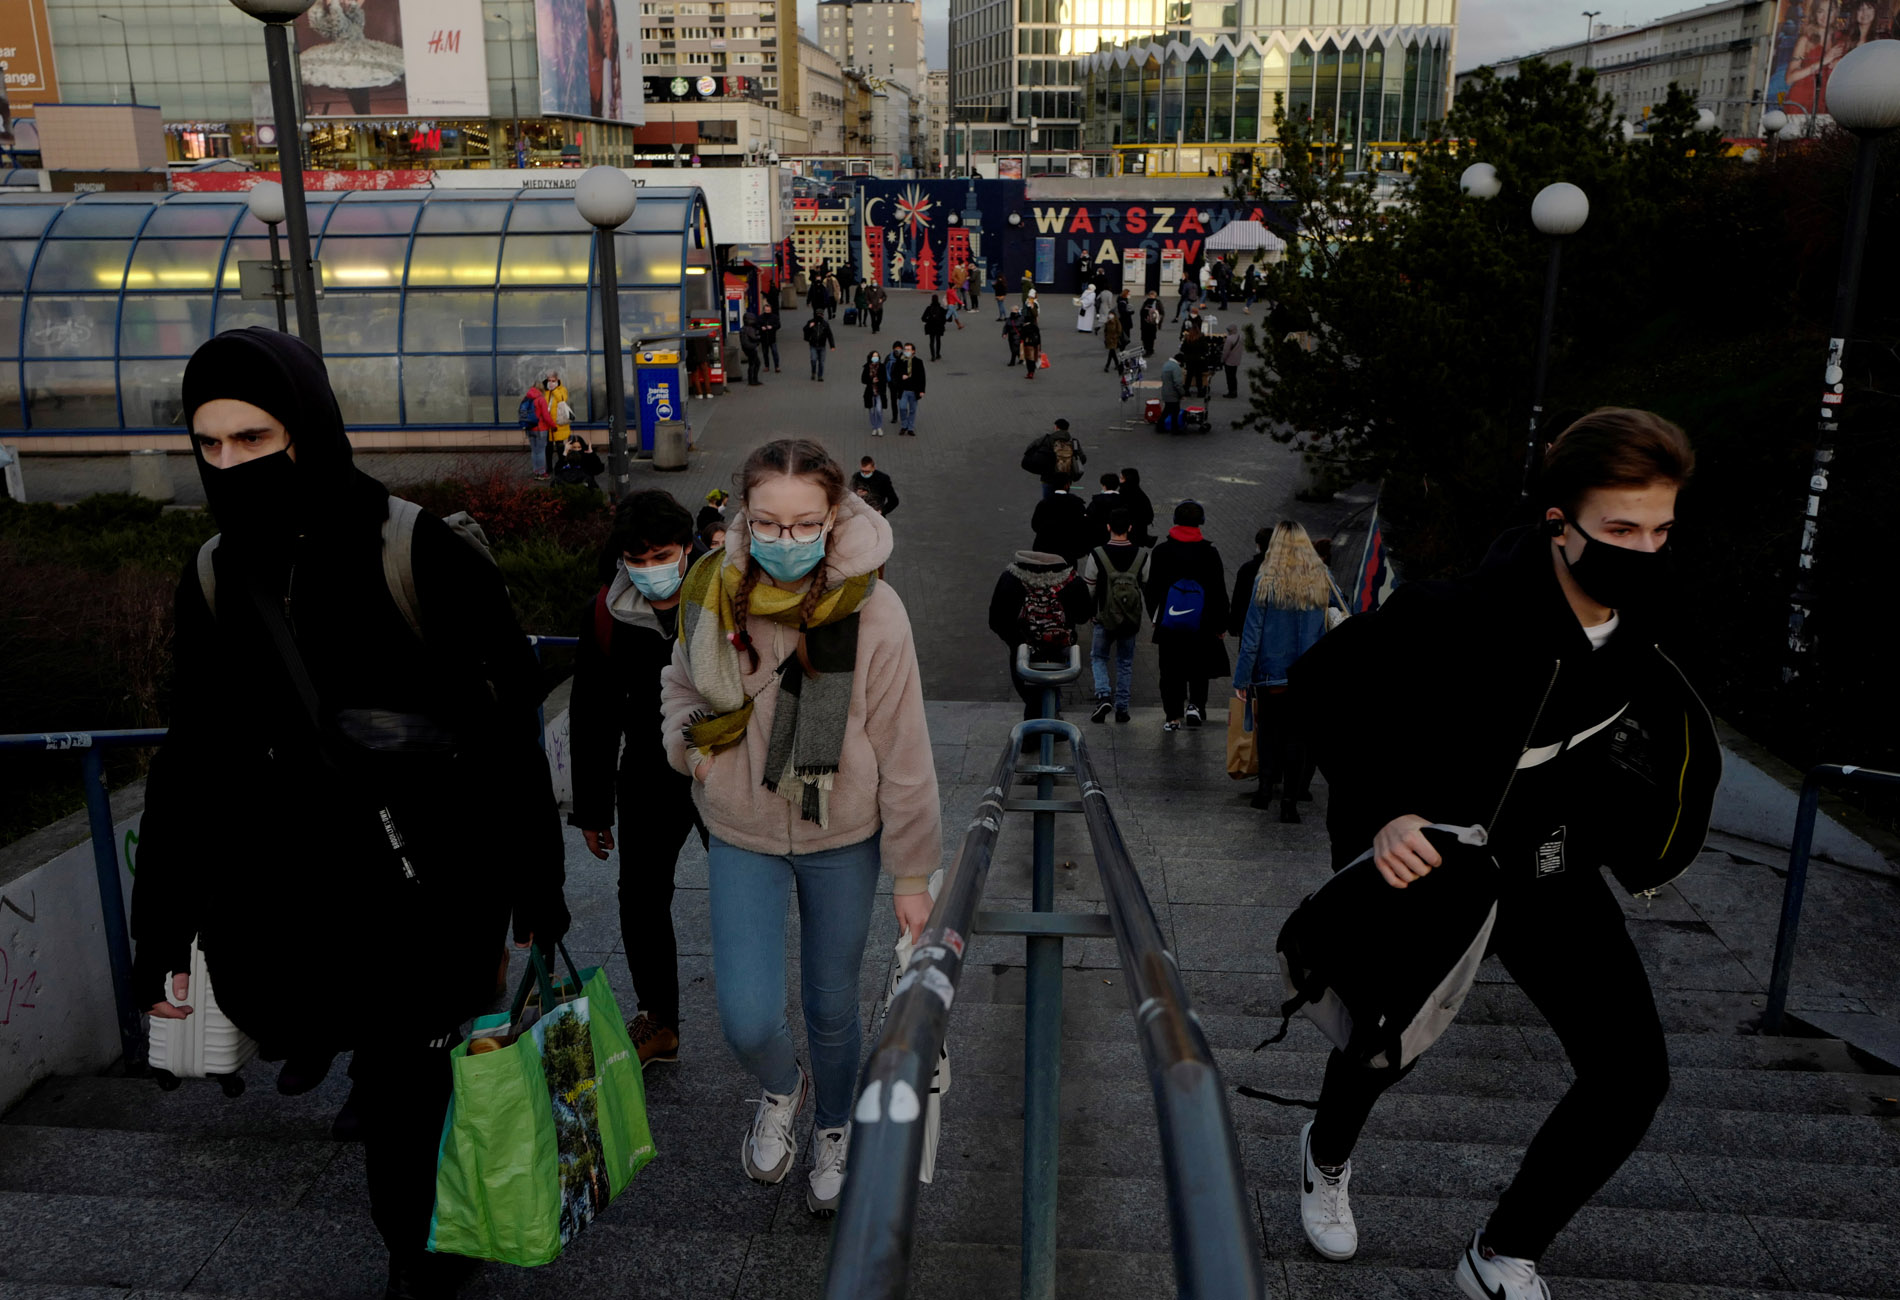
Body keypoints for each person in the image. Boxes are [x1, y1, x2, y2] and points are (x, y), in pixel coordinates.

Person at [133, 327, 568, 1299]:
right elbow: (191, 760)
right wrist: (159, 925)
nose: (230, 463)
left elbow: (508, 732)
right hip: (297, 896)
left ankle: (423, 1263)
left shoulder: (417, 553)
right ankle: (423, 1221)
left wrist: (536, 881)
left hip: (432, 889)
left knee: (407, 1106)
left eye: (254, 438)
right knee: (388, 1082)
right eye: (209, 445)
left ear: (310, 428)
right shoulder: (214, 575)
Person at [1286, 409, 1709, 1300]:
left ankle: (1502, 1250)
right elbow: (1322, 683)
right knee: (1382, 1039)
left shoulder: (1654, 610)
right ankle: (1326, 1156)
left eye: (1662, 528)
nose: (1644, 549)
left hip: (1550, 864)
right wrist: (1385, 812)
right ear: (1560, 523)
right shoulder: (1459, 611)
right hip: (1441, 854)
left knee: (1633, 1075)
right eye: (1620, 529)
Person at [660, 439, 940, 1218]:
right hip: (741, 826)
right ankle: (783, 1088)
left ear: (834, 516)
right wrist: (691, 753)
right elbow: (679, 679)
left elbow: (906, 749)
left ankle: (835, 1126)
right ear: (745, 518)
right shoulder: (713, 588)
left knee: (831, 1004)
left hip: (842, 832)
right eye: (769, 524)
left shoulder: (874, 609)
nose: (787, 542)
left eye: (805, 523)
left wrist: (913, 873)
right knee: (748, 1015)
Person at [570, 491, 711, 1068]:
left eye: (661, 553)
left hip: (718, 760)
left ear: (687, 548)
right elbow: (592, 710)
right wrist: (593, 808)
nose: (650, 566)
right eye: (638, 556)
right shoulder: (609, 610)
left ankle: (763, 1016)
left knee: (744, 889)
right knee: (640, 896)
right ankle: (659, 1018)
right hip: (649, 771)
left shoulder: (723, 595)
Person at [1233, 521, 1341, 821]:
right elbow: (1343, 615)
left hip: (1272, 674)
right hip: (1309, 675)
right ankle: (1290, 802)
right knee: (1299, 738)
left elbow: (1251, 633)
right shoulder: (1322, 577)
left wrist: (1242, 678)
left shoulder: (1266, 580)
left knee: (1269, 732)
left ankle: (1265, 790)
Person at [1144, 499, 1230, 731]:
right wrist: (1221, 624)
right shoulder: (1210, 553)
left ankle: (1172, 715)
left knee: (1170, 669)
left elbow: (1151, 589)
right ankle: (1195, 706)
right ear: (1200, 522)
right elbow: (1219, 590)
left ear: (1175, 521)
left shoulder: (1161, 551)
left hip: (1170, 622)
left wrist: (1156, 616)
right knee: (1199, 666)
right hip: (1202, 623)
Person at [988, 548, 1094, 719]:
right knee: (1049, 690)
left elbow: (996, 620)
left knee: (1031, 697)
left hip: (1023, 652)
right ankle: (1051, 724)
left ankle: (1036, 732)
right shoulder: (1072, 581)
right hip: (1059, 651)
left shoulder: (1010, 579)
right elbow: (1083, 615)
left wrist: (1017, 641)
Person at [1081, 509, 1149, 724]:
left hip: (1104, 616)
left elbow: (1089, 588)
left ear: (1108, 527)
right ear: (1130, 528)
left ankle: (1103, 696)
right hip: (1130, 619)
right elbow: (1146, 584)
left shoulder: (1097, 554)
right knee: (1125, 662)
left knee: (1099, 657)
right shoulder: (1142, 555)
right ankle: (1122, 708)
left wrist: (1090, 612)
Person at [1030, 482, 1093, 565]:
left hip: (1046, 547)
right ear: (1067, 485)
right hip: (1069, 549)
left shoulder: (1043, 503)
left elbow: (1035, 525)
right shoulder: (1076, 503)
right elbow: (1083, 526)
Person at [1023, 419, 1086, 499]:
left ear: (1056, 427)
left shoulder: (1046, 439)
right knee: (1063, 502)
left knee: (1048, 503)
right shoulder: (1073, 442)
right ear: (1067, 429)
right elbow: (1083, 459)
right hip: (1065, 479)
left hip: (1048, 478)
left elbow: (1029, 449)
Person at [521, 378, 554, 478]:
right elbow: (546, 416)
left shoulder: (526, 398)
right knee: (541, 451)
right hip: (540, 429)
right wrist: (553, 426)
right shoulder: (541, 399)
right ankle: (542, 473)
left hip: (529, 428)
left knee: (534, 451)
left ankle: (536, 471)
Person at [893, 342, 927, 436]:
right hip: (903, 390)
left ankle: (910, 427)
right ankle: (904, 425)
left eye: (908, 349)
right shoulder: (900, 361)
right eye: (905, 349)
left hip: (914, 390)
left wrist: (922, 390)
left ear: (913, 351)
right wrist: (901, 376)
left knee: (912, 410)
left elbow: (922, 376)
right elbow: (895, 373)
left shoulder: (918, 362)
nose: (906, 351)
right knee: (902, 407)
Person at [1119, 465, 1156, 546]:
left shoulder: (1123, 496)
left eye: (1121, 478)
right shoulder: (1141, 494)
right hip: (1138, 535)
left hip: (1126, 535)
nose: (1119, 480)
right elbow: (1150, 516)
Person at [1083, 471, 1122, 547]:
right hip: (1119, 536)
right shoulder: (1123, 500)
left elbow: (1087, 516)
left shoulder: (1097, 500)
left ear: (1104, 485)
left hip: (1099, 536)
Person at [861, 349, 888, 436]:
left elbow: (885, 379)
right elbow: (863, 379)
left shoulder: (882, 367)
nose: (875, 358)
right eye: (874, 356)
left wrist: (879, 380)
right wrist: (871, 380)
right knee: (872, 411)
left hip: (879, 392)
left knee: (879, 410)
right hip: (870, 392)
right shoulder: (867, 367)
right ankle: (874, 427)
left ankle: (879, 427)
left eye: (877, 356)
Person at [1159, 352, 1188, 433]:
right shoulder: (1176, 368)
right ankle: (1174, 429)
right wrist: (1182, 393)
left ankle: (1160, 426)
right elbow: (1178, 383)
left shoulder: (1167, 364)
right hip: (1173, 394)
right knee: (1175, 412)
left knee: (1167, 410)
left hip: (1165, 392)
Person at [546, 369, 573, 455]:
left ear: (557, 380)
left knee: (560, 447)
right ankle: (549, 467)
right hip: (548, 423)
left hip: (559, 423)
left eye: (553, 381)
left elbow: (562, 399)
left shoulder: (562, 389)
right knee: (548, 448)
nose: (551, 382)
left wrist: (554, 390)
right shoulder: (546, 391)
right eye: (549, 380)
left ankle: (561, 466)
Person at [803, 311, 836, 381]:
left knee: (821, 362)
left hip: (822, 346)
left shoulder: (825, 324)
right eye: (818, 314)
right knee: (813, 360)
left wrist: (832, 346)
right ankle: (813, 372)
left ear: (823, 315)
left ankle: (820, 376)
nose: (819, 316)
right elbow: (804, 330)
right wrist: (809, 327)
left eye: (820, 314)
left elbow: (830, 335)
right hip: (813, 345)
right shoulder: (811, 322)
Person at [1222, 323, 1246, 400]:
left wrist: (1222, 360)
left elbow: (1226, 351)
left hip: (1229, 361)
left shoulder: (1229, 339)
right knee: (1233, 376)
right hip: (1237, 360)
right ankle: (1234, 391)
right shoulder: (1240, 337)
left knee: (1229, 377)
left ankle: (1231, 392)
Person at [921, 295, 948, 361]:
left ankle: (932, 356)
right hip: (939, 326)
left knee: (931, 341)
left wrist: (928, 321)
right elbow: (945, 319)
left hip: (931, 326)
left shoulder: (929, 308)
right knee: (938, 340)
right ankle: (938, 354)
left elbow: (923, 318)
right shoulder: (941, 309)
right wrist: (942, 323)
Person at [741, 312, 764, 386]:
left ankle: (752, 379)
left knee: (752, 363)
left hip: (746, 348)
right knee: (755, 363)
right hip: (751, 348)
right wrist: (759, 338)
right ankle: (753, 380)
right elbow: (754, 338)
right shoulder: (750, 329)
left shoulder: (743, 329)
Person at [1020, 311, 1043, 378]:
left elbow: (1022, 337)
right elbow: (1039, 337)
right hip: (1036, 345)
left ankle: (1030, 372)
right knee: (1034, 359)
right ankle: (1032, 371)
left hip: (1028, 345)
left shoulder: (1024, 328)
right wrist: (1040, 347)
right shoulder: (1035, 327)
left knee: (1028, 359)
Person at [1140, 291, 1162, 357]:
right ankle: (1148, 349)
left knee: (1150, 338)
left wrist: (1158, 322)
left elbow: (1161, 313)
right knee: (1147, 338)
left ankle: (1149, 350)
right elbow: (1141, 312)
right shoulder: (1146, 302)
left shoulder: (1157, 303)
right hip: (1146, 323)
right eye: (1150, 296)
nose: (1151, 297)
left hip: (1151, 324)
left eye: (1152, 296)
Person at [761, 305, 782, 373]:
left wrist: (772, 327)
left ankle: (777, 366)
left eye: (769, 310)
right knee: (765, 353)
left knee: (775, 352)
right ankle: (767, 366)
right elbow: (757, 325)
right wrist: (761, 328)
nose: (767, 312)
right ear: (764, 310)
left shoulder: (774, 317)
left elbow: (778, 325)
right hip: (764, 338)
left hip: (772, 338)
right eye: (766, 310)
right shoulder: (760, 317)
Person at [1102, 308, 1125, 373]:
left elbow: (1119, 330)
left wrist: (1115, 336)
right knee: (1112, 353)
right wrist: (1106, 337)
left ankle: (1107, 366)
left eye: (1111, 314)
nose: (1110, 315)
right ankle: (1117, 364)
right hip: (1109, 339)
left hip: (1114, 339)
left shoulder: (1116, 321)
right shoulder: (1108, 321)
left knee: (1111, 352)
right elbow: (1105, 330)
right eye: (1109, 314)